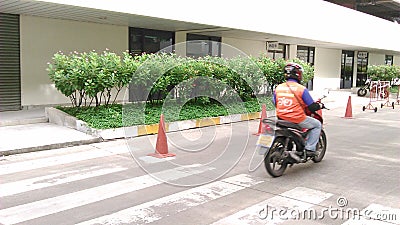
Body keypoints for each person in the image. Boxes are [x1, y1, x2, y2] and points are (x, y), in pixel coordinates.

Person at [273, 62, 323, 157]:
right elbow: (311, 106)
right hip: (297, 119)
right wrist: (319, 106)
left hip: (281, 118)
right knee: (317, 125)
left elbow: (275, 102)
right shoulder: (301, 89)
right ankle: (310, 149)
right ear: (298, 74)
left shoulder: (278, 87)